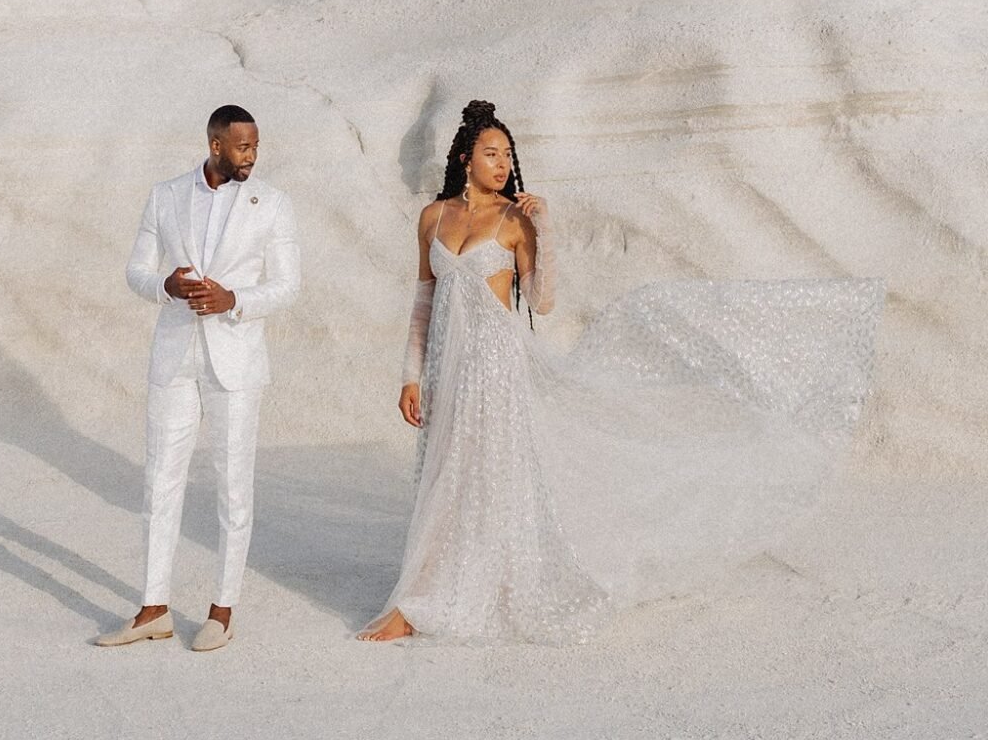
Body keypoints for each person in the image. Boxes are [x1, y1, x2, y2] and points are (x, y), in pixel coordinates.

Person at [360, 100, 883, 643]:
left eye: (508, 155)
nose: (502, 164)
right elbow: (424, 303)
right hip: (450, 367)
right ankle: (421, 591)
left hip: (498, 367)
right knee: (445, 474)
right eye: (491, 154)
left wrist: (544, 228)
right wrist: (410, 377)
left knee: (490, 475)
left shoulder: (515, 221)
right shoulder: (433, 217)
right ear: (465, 158)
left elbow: (542, 302)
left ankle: (464, 591)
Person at [97, 105, 300, 653]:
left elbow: (287, 286)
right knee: (160, 480)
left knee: (234, 485)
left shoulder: (273, 204)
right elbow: (135, 270)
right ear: (215, 145)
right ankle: (153, 608)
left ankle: (222, 609)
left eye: (256, 147)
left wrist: (235, 300)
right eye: (242, 147)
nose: (251, 157)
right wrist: (166, 285)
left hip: (235, 362)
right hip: (174, 356)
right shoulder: (165, 195)